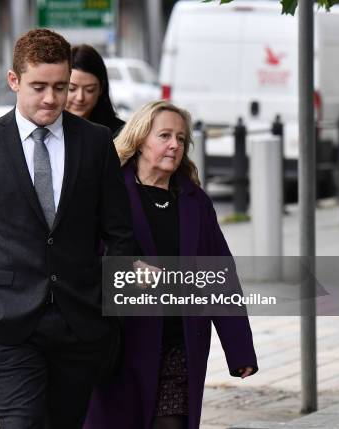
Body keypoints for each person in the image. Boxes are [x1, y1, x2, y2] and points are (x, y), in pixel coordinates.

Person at [0, 29, 138, 429]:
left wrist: (111, 308)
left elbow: (119, 232)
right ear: (14, 81)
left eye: (60, 87)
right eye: (39, 86)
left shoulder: (96, 142)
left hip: (80, 325)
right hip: (3, 324)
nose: (51, 98)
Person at [83, 100, 258, 429]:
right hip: (121, 345)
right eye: (164, 135)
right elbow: (82, 259)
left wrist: (240, 349)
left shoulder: (195, 201)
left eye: (180, 138)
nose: (174, 145)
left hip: (180, 343)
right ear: (139, 139)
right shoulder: (108, 192)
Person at [66, 44, 125, 136]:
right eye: (72, 89)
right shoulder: (46, 130)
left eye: (90, 90)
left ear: (101, 88)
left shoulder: (121, 134)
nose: (80, 97)